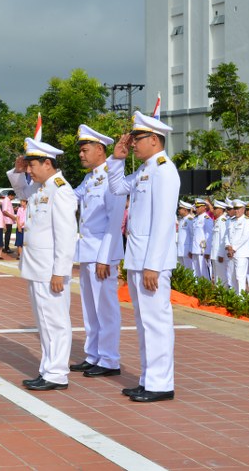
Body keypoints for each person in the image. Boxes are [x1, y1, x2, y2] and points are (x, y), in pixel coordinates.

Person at [107, 111, 180, 403]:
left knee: (157, 322)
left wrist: (153, 264)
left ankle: (161, 383)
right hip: (138, 257)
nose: (133, 143)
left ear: (154, 139)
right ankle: (149, 379)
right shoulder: (145, 170)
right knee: (143, 321)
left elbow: (164, 222)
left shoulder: (164, 170)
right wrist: (117, 158)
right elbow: (116, 188)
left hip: (153, 261)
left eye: (137, 139)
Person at [7, 138, 78, 391]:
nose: (29, 170)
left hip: (50, 270)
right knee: (44, 322)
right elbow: (20, 192)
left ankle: (57, 373)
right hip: (37, 267)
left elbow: (67, 235)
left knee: (55, 322)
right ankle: (48, 369)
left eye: (31, 165)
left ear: (47, 163)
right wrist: (17, 172)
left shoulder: (60, 190)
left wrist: (60, 271)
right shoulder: (40, 188)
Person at [69, 125, 127, 379]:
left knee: (106, 308)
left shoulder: (111, 175)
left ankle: (110, 359)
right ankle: (94, 354)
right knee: (90, 308)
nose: (81, 155)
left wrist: (105, 257)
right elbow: (70, 198)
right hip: (88, 252)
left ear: (100, 150)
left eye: (85, 150)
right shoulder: (90, 177)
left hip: (102, 254)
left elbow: (115, 220)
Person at [224, 200, 249, 294]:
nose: (236, 211)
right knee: (231, 276)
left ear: (243, 209)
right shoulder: (231, 221)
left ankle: (241, 299)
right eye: (235, 208)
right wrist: (228, 246)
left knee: (240, 276)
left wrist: (234, 248)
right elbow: (227, 235)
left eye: (239, 208)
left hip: (241, 253)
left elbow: (245, 236)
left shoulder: (247, 221)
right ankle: (235, 296)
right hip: (231, 253)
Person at [189, 199, 213, 280]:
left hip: (202, 251)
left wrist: (208, 251)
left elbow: (208, 237)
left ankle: (206, 289)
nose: (196, 209)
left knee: (204, 273)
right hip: (195, 249)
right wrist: (191, 249)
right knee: (196, 272)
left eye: (198, 207)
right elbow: (193, 236)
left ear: (204, 207)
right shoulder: (195, 219)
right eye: (196, 207)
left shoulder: (207, 219)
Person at [209, 200, 230, 284]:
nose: (213, 210)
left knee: (221, 276)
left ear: (221, 210)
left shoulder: (223, 221)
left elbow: (223, 240)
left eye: (215, 208)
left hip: (219, 254)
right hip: (215, 253)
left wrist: (221, 254)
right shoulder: (217, 221)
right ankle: (218, 292)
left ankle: (222, 293)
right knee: (217, 275)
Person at [176, 201, 194, 269]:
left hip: (187, 251)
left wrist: (191, 250)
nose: (179, 210)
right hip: (181, 249)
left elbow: (192, 236)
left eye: (180, 208)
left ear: (185, 210)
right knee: (182, 270)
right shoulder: (182, 220)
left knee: (189, 269)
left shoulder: (190, 220)